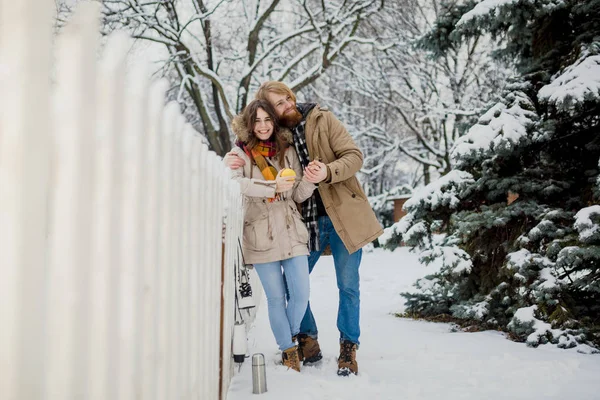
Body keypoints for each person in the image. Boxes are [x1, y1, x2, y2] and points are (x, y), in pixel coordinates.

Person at [225, 81, 383, 376]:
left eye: (287, 99)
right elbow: (250, 154)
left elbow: (354, 156)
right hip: (304, 222)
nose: (286, 106)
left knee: (348, 286)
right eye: (278, 105)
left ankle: (348, 347)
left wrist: (326, 171)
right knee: (292, 287)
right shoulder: (278, 138)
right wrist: (233, 156)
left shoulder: (322, 119)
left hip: (342, 217)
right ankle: (306, 339)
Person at [227, 99, 317, 372]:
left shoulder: (287, 151)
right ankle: (288, 350)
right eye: (257, 121)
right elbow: (235, 184)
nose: (263, 126)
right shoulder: (238, 154)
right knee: (276, 298)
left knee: (301, 294)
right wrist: (271, 187)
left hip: (291, 231)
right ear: (249, 125)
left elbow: (296, 193)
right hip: (260, 233)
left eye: (268, 120)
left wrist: (310, 181)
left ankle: (287, 336)